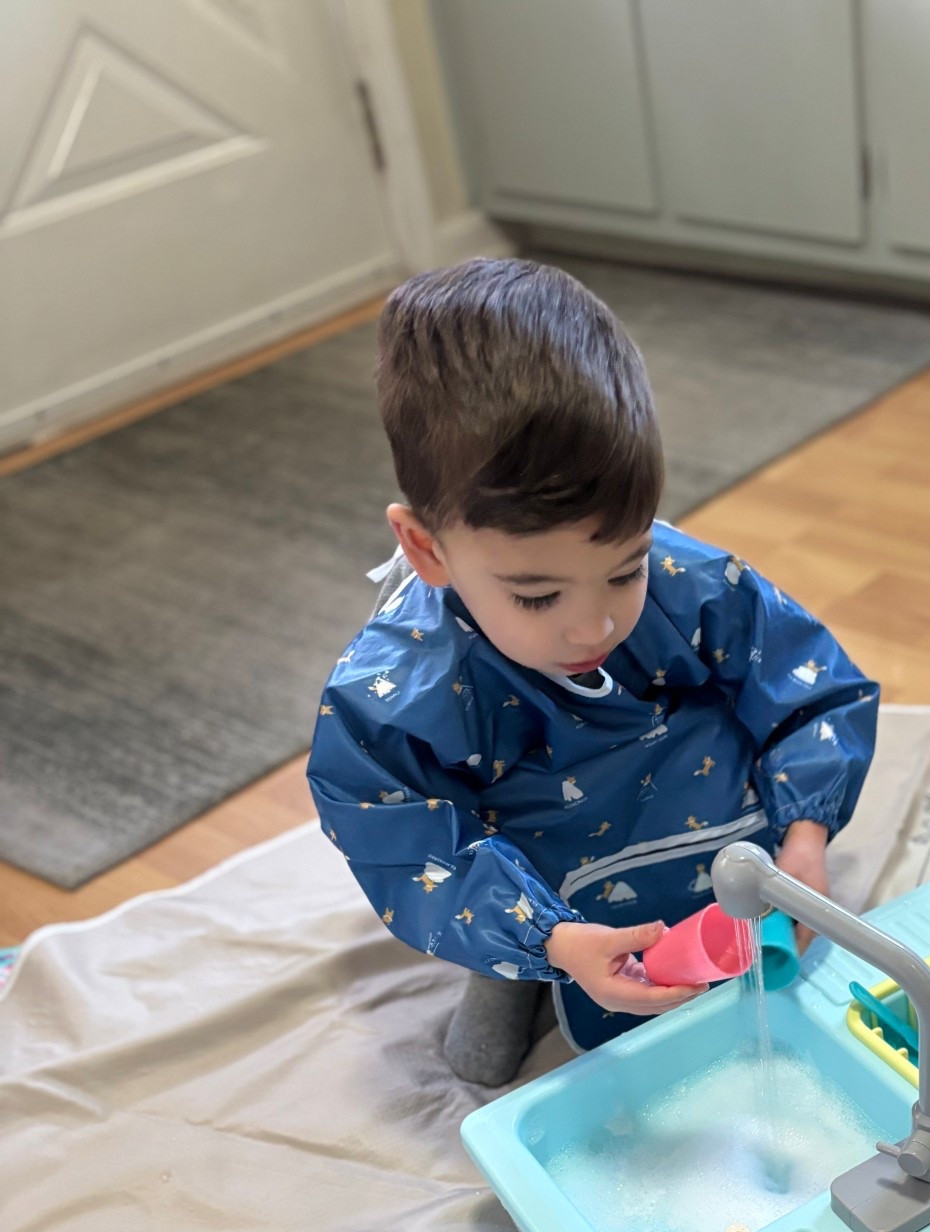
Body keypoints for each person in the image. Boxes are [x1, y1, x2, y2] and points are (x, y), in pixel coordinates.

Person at [308, 259, 879, 1083]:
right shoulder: (397, 693)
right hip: (533, 868)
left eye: (624, 568)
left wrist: (805, 833)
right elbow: (406, 842)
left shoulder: (687, 580)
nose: (597, 623)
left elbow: (807, 684)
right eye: (537, 595)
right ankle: (522, 962)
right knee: (494, 1000)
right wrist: (549, 939)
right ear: (426, 549)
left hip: (703, 815)